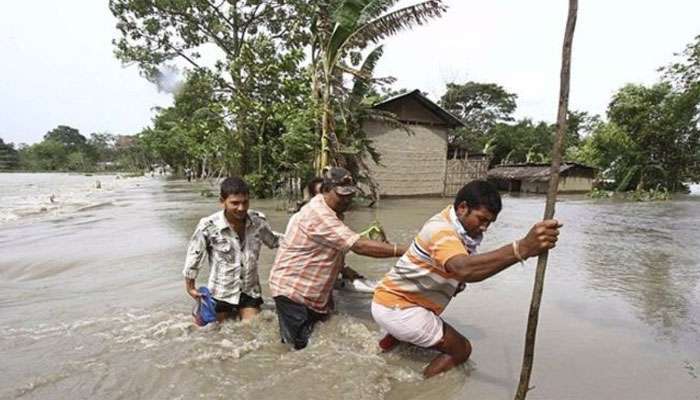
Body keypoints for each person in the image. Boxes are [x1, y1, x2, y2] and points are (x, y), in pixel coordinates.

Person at [371, 180, 562, 378]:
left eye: (489, 223)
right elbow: (464, 269)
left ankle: (384, 347)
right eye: (481, 219)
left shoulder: (456, 228)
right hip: (398, 307)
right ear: (462, 208)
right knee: (461, 350)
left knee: (422, 333)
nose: (485, 227)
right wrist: (521, 248)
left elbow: (465, 269)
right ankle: (418, 386)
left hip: (392, 300)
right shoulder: (440, 230)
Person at [269, 167, 408, 350]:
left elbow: (328, 246)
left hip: (314, 293)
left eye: (350, 194)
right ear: (325, 190)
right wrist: (406, 250)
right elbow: (358, 246)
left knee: (317, 343)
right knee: (297, 351)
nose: (347, 199)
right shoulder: (319, 214)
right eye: (341, 195)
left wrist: (343, 269)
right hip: (294, 291)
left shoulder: (333, 212)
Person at [183, 177, 280, 323]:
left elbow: (274, 241)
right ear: (222, 201)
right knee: (211, 333)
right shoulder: (209, 226)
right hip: (221, 293)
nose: (241, 208)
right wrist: (190, 287)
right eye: (235, 203)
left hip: (250, 292)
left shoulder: (258, 222)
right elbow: (194, 255)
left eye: (245, 202)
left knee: (252, 329)